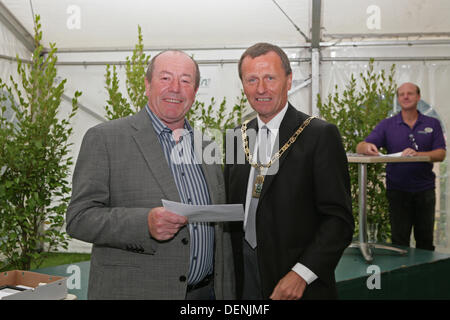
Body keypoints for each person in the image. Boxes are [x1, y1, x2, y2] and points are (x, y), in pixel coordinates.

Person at [66, 50, 235, 300]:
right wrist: (143, 223)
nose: (175, 88)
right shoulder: (105, 139)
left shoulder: (206, 145)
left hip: (206, 294)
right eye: (165, 78)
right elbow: (79, 218)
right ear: (147, 85)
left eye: (186, 80)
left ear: (195, 91)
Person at [224, 43, 354, 300]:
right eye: (252, 79)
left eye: (270, 78)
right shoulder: (236, 137)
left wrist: (302, 274)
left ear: (289, 80)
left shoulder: (319, 135)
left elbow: (339, 221)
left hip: (297, 281)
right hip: (242, 275)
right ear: (243, 85)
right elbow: (231, 204)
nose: (261, 88)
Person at [356, 82, 446, 251]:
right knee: (399, 241)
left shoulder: (432, 123)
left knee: (425, 240)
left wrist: (416, 155)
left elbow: (441, 154)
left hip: (424, 191)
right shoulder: (387, 124)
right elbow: (360, 146)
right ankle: (402, 275)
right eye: (402, 94)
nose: (405, 97)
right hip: (398, 191)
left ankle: (424, 276)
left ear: (418, 97)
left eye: (410, 93)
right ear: (398, 99)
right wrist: (366, 147)